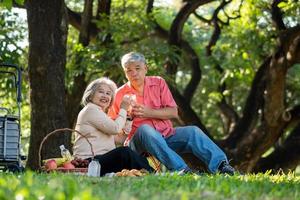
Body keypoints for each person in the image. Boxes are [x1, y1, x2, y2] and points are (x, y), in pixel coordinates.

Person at [108, 52, 235, 175]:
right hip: (138, 144)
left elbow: (174, 112)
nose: (134, 73)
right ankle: (182, 170)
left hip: (165, 136)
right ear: (125, 73)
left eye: (137, 68)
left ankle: (221, 166)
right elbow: (113, 129)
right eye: (129, 70)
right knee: (145, 129)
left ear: (145, 68)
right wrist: (126, 128)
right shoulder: (120, 94)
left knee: (193, 132)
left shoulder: (158, 83)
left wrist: (149, 112)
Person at [73, 77, 153, 176]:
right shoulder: (90, 110)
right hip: (89, 163)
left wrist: (129, 120)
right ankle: (153, 174)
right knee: (124, 152)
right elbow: (115, 129)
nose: (105, 96)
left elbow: (120, 140)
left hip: (100, 160)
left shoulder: (100, 113)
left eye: (108, 93)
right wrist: (123, 108)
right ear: (91, 95)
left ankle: (148, 172)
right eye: (101, 92)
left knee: (132, 154)